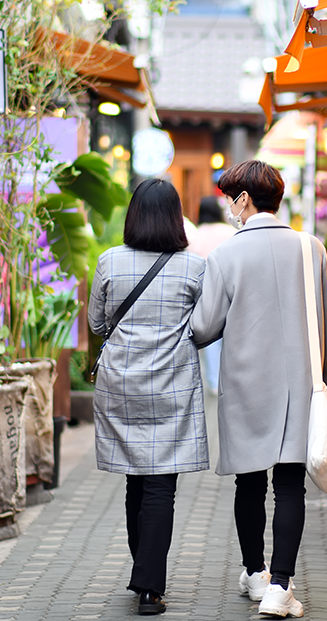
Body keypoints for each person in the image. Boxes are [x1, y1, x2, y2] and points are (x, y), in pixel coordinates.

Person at [190, 160, 327, 619]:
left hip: (245, 384)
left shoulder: (226, 255)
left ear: (243, 199)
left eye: (229, 198)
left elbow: (202, 328)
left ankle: (255, 573)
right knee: (290, 485)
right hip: (300, 385)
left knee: (249, 482)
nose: (228, 208)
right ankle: (280, 586)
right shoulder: (309, 247)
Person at [88, 178, 210, 616]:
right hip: (172, 386)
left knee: (134, 478)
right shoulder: (194, 268)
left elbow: (98, 323)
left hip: (120, 384)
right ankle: (149, 587)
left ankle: (143, 571)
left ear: (134, 214)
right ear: (176, 217)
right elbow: (205, 326)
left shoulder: (109, 262)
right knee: (162, 485)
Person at [186, 196, 235, 394]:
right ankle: (230, 379)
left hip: (205, 292)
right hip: (231, 288)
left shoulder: (196, 235)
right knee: (231, 335)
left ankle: (214, 383)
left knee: (211, 340)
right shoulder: (230, 232)